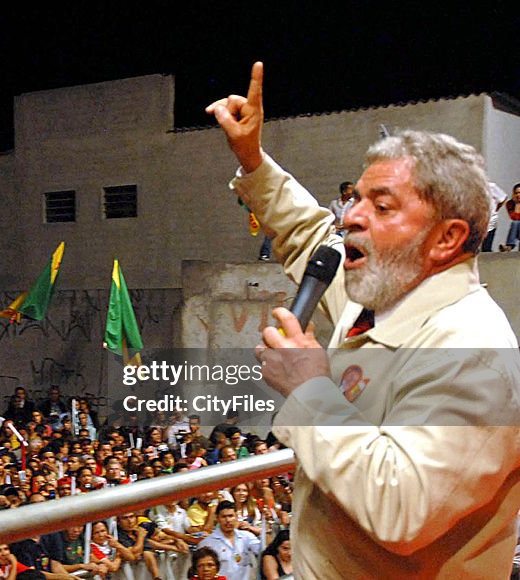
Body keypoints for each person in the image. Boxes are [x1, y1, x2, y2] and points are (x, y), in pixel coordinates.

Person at [207, 61, 520, 577]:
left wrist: (310, 391)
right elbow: (310, 237)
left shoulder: (476, 354)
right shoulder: (380, 295)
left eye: (382, 206)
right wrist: (253, 160)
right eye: (356, 200)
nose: (351, 215)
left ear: (446, 238)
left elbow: (403, 510)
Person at [499, 182, 520, 252]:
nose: (518, 195)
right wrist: (517, 205)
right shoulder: (510, 204)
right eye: (516, 193)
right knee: (515, 223)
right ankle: (509, 246)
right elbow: (514, 217)